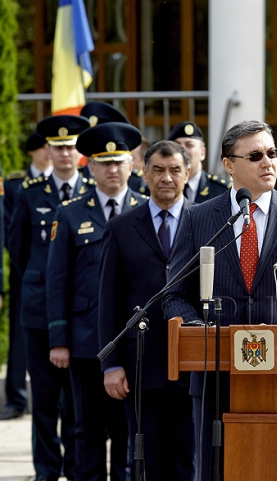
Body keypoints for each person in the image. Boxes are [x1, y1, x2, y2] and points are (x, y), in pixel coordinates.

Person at [162, 120, 277, 481]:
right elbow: (175, 294)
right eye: (256, 155)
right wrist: (199, 329)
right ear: (229, 165)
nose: (268, 162)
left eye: (272, 153)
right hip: (216, 376)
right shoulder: (199, 217)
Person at [46, 122, 148, 481]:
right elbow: (57, 280)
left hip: (132, 339)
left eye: (120, 161)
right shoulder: (70, 213)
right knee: (85, 429)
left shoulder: (145, 209)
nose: (113, 170)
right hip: (86, 340)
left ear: (132, 165)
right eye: (104, 163)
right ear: (90, 167)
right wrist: (58, 340)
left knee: (127, 429)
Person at [98, 140, 194, 481]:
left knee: (189, 458)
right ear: (144, 174)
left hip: (193, 365)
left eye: (174, 170)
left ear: (187, 174)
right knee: (146, 461)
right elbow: (109, 301)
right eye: (158, 170)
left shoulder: (209, 222)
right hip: (141, 365)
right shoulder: (122, 227)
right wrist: (111, 365)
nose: (166, 178)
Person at [8, 115, 94, 481]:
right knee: (43, 399)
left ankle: (77, 468)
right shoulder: (29, 193)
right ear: (48, 150)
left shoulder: (91, 191)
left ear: (80, 153)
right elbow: (17, 248)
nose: (63, 153)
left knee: (76, 401)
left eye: (71, 147)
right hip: (39, 311)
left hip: (79, 312)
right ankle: (46, 469)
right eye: (57, 147)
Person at [0, 131, 51, 421]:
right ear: (32, 151)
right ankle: (16, 397)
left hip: (57, 276)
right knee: (20, 339)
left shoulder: (68, 184)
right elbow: (12, 236)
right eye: (44, 147)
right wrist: (29, 270)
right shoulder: (15, 184)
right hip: (27, 276)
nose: (49, 152)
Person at [166, 121, 231, 202]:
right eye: (177, 145)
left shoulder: (222, 191)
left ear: (202, 153)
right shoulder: (157, 190)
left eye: (189, 145)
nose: (182, 150)